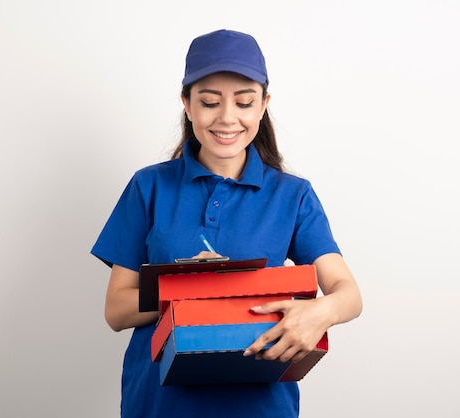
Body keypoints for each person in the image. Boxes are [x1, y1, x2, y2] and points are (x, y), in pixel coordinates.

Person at [91, 28, 362, 418]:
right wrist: (193, 286)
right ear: (187, 104)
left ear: (264, 104)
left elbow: (348, 293)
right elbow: (116, 309)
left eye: (245, 102)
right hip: (159, 404)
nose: (227, 118)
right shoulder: (148, 187)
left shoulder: (293, 195)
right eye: (209, 102)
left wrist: (320, 313)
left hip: (260, 405)